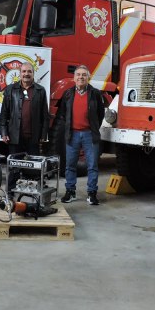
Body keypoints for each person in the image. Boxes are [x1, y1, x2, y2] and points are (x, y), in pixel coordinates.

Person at [56, 65, 105, 205]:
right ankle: (70, 192)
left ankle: (92, 194)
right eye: (78, 74)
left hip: (90, 134)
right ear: (74, 77)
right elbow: (63, 114)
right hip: (73, 134)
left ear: (88, 77)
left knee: (92, 165)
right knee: (70, 165)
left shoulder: (95, 94)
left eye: (84, 75)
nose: (81, 77)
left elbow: (100, 114)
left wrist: (93, 127)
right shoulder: (68, 94)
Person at [0, 62, 50, 194]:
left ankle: (34, 193)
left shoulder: (40, 90)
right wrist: (4, 132)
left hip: (34, 137)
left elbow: (45, 115)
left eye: (29, 71)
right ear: (20, 73)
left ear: (33, 74)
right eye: (24, 71)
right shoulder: (10, 89)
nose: (26, 74)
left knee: (34, 168)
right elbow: (4, 113)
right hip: (15, 136)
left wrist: (44, 135)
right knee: (14, 167)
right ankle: (10, 193)